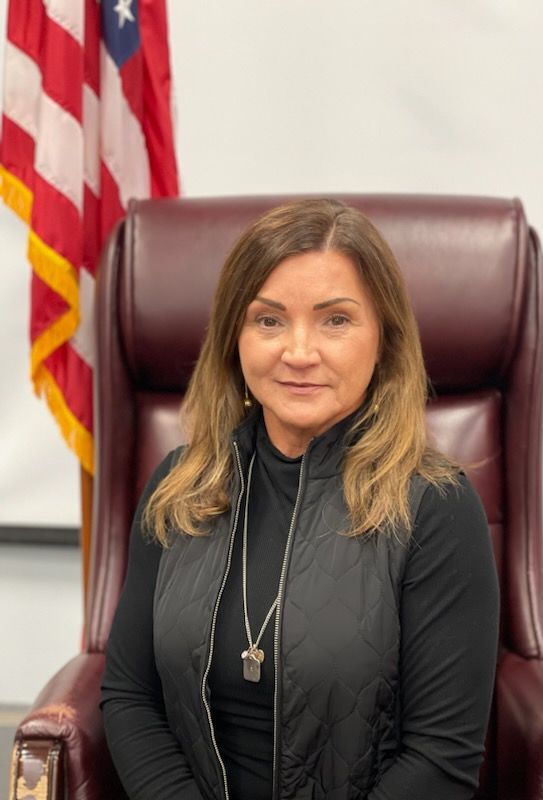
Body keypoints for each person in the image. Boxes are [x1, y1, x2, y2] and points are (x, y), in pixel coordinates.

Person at [100, 198, 499, 800]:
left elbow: (441, 757)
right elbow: (130, 698)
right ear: (235, 335)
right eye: (269, 320)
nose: (299, 352)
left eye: (336, 320)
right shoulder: (181, 487)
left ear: (383, 339)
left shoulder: (435, 506)